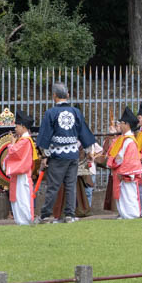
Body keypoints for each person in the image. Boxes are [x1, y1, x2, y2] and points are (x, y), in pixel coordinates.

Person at [36, 82, 97, 223]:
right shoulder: (76, 112)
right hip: (73, 154)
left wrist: (45, 155)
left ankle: (45, 215)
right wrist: (89, 151)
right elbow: (84, 133)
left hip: (57, 154)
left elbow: (44, 135)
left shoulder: (51, 113)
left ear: (54, 96)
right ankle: (70, 214)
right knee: (71, 185)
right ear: (68, 95)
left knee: (53, 186)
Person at [108, 108, 142, 220]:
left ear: (127, 124)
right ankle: (124, 214)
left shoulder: (129, 140)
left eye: (122, 123)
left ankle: (131, 214)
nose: (120, 125)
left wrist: (124, 172)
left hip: (126, 173)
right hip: (120, 170)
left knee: (129, 195)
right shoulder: (123, 139)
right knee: (122, 196)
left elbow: (130, 160)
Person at [6, 111, 39, 225]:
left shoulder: (25, 141)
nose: (15, 128)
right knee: (19, 197)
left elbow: (14, 152)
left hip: (22, 174)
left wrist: (12, 144)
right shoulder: (23, 140)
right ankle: (21, 220)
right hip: (19, 174)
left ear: (23, 127)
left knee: (22, 198)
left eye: (17, 126)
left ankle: (25, 219)